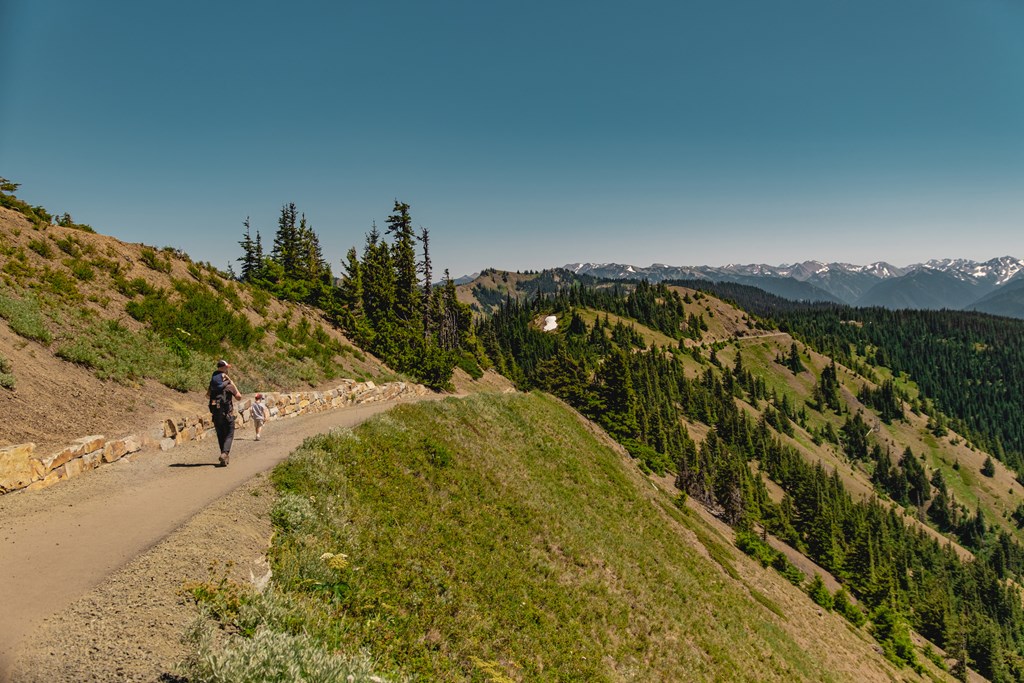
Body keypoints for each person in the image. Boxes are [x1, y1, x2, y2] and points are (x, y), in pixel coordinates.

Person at [208, 359, 242, 466]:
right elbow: (239, 397)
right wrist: (232, 383)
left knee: (220, 434)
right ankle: (224, 453)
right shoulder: (228, 386)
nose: (228, 369)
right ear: (223, 368)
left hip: (216, 413)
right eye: (227, 367)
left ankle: (224, 456)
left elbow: (208, 396)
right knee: (229, 433)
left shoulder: (213, 385)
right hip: (227, 413)